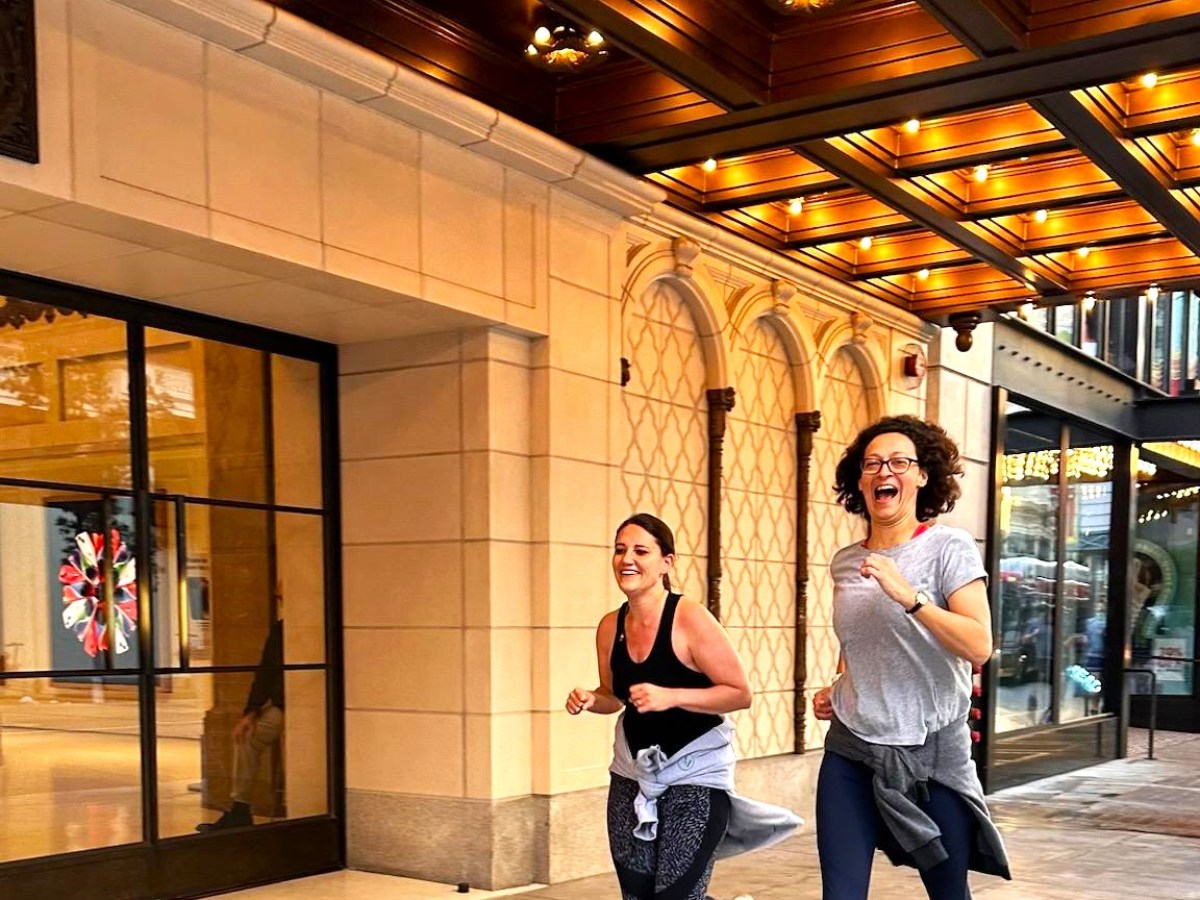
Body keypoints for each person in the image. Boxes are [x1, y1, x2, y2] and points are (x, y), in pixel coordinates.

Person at [812, 416, 1010, 899]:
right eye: (873, 463)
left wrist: (912, 597)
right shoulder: (845, 561)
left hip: (931, 756)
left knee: (947, 891)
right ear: (861, 480)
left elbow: (978, 644)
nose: (886, 471)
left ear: (923, 476)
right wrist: (839, 686)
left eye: (900, 462)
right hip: (851, 751)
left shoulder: (948, 548)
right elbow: (859, 639)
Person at [566, 513, 800, 900]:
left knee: (676, 897)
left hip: (696, 775)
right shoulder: (611, 626)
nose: (627, 559)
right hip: (633, 774)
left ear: (666, 563)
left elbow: (739, 692)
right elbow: (613, 694)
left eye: (641, 550)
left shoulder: (690, 618)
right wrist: (593, 699)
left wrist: (671, 695)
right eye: (620, 549)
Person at [197, 588, 285, 831]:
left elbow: (266, 674)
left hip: (302, 706)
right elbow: (266, 673)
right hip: (285, 706)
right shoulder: (281, 630)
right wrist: (251, 712)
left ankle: (241, 808)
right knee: (248, 737)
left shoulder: (293, 630)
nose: (278, 595)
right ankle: (240, 807)